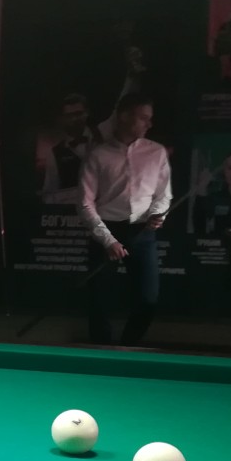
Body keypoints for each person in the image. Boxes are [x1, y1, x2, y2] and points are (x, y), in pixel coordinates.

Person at [79, 93, 172, 346]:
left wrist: (158, 213)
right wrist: (108, 240)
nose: (149, 124)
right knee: (99, 299)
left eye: (149, 118)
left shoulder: (157, 152)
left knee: (148, 298)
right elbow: (85, 203)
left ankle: (128, 347)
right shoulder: (98, 155)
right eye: (143, 118)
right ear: (123, 117)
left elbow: (164, 194)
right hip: (106, 231)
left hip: (143, 232)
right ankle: (100, 352)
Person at [36, 93, 97, 204]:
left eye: (78, 113)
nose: (75, 119)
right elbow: (50, 193)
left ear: (87, 113)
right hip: (73, 211)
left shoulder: (102, 138)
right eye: (69, 115)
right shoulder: (55, 153)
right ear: (63, 118)